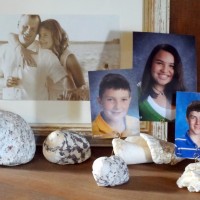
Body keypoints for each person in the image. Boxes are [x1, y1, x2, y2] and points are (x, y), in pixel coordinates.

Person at [8, 18, 87, 100]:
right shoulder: (41, 49)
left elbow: (82, 86)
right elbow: (10, 36)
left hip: (63, 100)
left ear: (55, 35)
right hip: (48, 100)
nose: (41, 40)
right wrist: (20, 49)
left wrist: (72, 91)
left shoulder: (68, 58)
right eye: (40, 36)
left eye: (45, 35)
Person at [138, 44, 186, 122]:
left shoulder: (184, 97)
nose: (165, 70)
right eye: (160, 63)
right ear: (150, 64)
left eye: (171, 66)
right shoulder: (135, 92)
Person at [92, 73, 140, 138]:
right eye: (110, 99)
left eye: (123, 99)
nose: (118, 107)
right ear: (100, 101)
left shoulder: (136, 124)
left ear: (129, 100)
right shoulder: (94, 131)